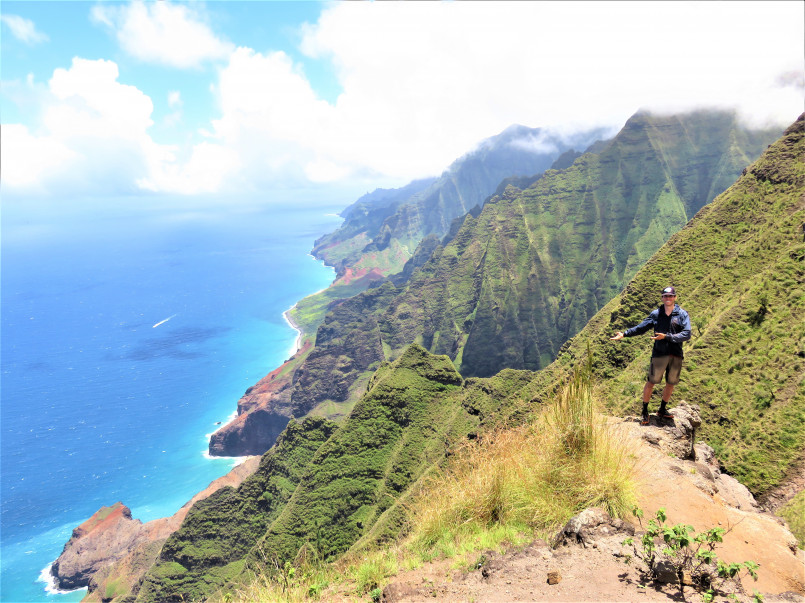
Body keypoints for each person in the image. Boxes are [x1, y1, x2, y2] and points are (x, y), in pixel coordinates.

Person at [610, 286, 691, 425]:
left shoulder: (682, 314)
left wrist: (666, 337)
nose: (668, 298)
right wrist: (625, 334)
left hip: (676, 354)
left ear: (675, 298)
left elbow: (686, 334)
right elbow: (641, 327)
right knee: (651, 382)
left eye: (671, 296)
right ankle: (645, 411)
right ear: (662, 298)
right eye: (665, 296)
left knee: (670, 383)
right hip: (659, 354)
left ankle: (662, 409)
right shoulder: (656, 314)